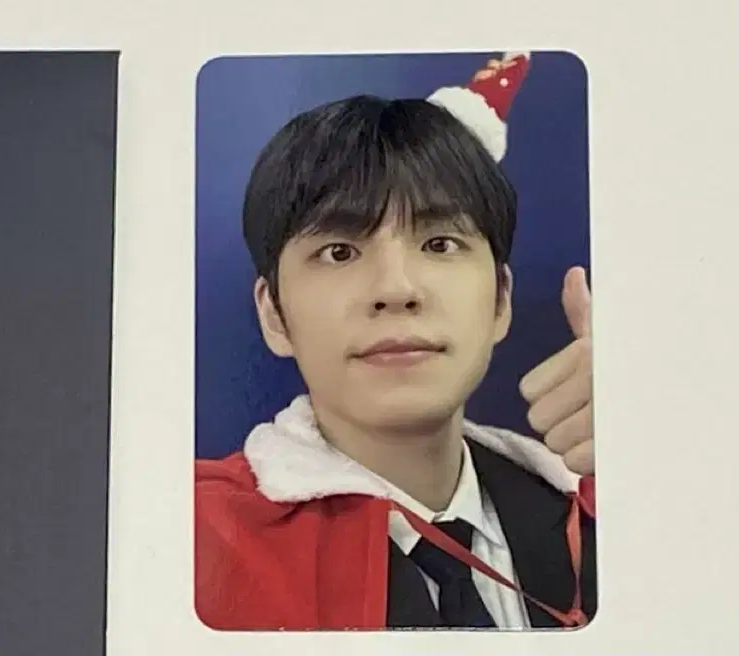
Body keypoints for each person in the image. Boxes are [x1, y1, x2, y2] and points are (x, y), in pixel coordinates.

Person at [194, 53, 596, 631]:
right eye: (339, 252)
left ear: (501, 300)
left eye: (439, 245)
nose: (396, 289)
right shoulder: (187, 536)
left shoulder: (602, 503)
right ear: (274, 314)